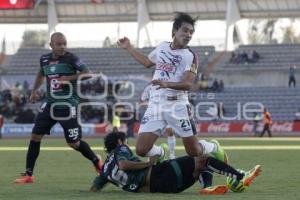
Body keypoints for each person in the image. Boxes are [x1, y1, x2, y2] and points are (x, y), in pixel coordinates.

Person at [118, 13, 226, 164]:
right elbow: (147, 62)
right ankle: (161, 152)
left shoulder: (190, 56)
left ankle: (214, 147)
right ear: (174, 31)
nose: (188, 35)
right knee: (141, 150)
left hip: (177, 106)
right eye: (185, 30)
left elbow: (189, 84)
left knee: (193, 151)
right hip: (156, 105)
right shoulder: (162, 47)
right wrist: (129, 47)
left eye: (191, 32)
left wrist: (167, 84)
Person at [14, 32, 102, 184]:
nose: (62, 46)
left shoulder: (71, 58)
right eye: (59, 44)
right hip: (50, 105)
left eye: (64, 43)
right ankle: (28, 175)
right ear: (51, 45)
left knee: (74, 143)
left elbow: (88, 74)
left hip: (68, 106)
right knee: (35, 136)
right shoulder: (44, 59)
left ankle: (96, 161)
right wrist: (34, 91)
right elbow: (41, 74)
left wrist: (69, 78)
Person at [90, 131, 262, 194]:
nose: (127, 144)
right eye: (125, 141)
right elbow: (124, 165)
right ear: (119, 142)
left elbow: (95, 187)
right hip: (158, 174)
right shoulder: (121, 150)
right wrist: (148, 164)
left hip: (161, 189)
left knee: (198, 167)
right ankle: (240, 177)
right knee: (203, 159)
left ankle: (206, 188)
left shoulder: (105, 169)